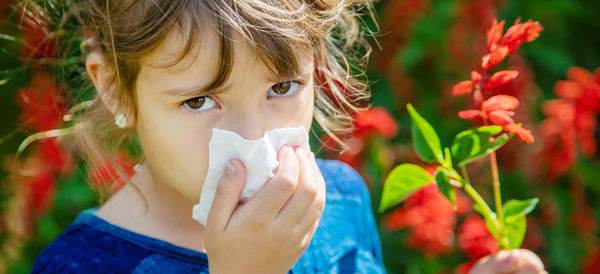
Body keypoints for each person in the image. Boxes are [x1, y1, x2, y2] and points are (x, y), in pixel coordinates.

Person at [20, 0, 546, 273]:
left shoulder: (338, 199)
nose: (254, 138)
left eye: (282, 86)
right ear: (114, 87)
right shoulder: (82, 267)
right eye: (199, 100)